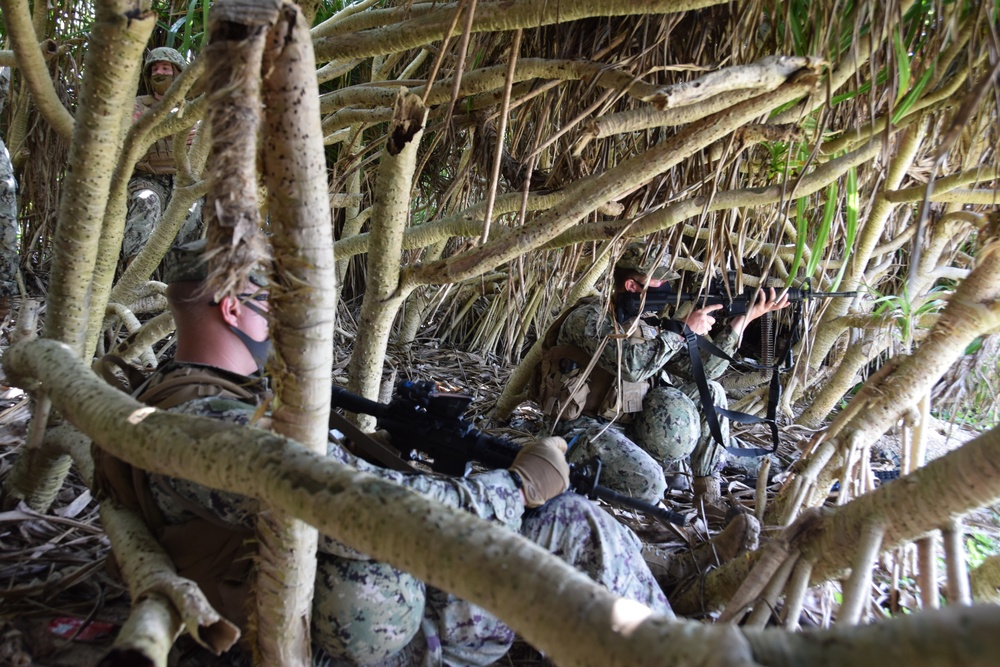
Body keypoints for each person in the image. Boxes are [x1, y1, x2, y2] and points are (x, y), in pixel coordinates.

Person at [93, 240, 672, 666]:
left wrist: (395, 446)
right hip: (346, 627)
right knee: (575, 524)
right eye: (272, 297)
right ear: (230, 308)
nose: (285, 312)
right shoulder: (213, 424)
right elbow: (367, 514)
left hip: (335, 596)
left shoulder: (187, 392)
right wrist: (514, 489)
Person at [530, 243, 790, 505]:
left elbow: (703, 372)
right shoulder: (589, 319)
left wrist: (741, 321)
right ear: (632, 285)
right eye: (659, 279)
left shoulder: (647, 325)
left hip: (634, 423)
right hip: (583, 428)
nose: (666, 286)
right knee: (651, 485)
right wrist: (681, 332)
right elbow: (632, 367)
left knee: (711, 392)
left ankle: (707, 498)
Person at [121, 48, 203, 270]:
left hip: (182, 181)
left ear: (178, 73)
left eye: (166, 68)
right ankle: (136, 281)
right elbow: (125, 141)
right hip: (148, 178)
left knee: (191, 214)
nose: (160, 73)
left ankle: (176, 287)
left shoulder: (193, 109)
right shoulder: (137, 105)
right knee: (146, 202)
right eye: (155, 69)